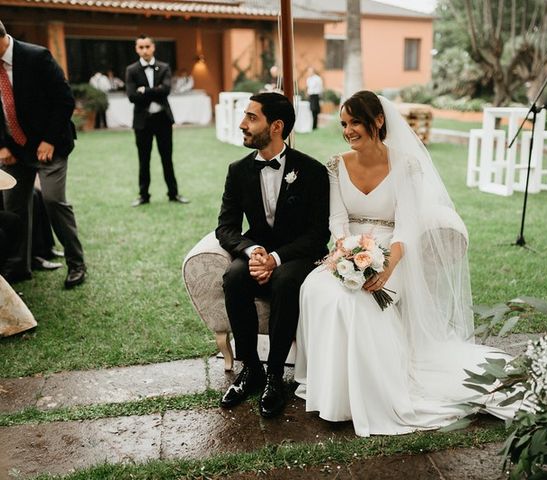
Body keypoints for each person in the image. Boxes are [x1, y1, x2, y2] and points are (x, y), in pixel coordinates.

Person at [294, 91, 516, 437]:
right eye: (343, 124)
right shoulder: (336, 165)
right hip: (346, 253)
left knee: (358, 302)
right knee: (316, 289)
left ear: (377, 121)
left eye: (354, 122)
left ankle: (371, 393)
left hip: (392, 257)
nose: (348, 130)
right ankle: (333, 392)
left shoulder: (406, 166)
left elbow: (408, 224)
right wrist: (344, 252)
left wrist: (387, 266)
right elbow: (337, 219)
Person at [216, 92, 329, 418]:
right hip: (257, 253)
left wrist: (275, 259)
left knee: (285, 281)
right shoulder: (237, 171)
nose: (242, 124)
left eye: (251, 117)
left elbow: (318, 235)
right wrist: (252, 251)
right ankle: (251, 369)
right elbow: (225, 228)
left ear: (276, 126)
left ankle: (276, 375)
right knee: (234, 276)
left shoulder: (312, 171)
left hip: (296, 257)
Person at [0, 21, 86, 288]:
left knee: (52, 201)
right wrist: (2, 145)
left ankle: (76, 263)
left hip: (52, 145)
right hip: (15, 149)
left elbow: (64, 100)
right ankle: (18, 266)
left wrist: (48, 141)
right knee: (13, 206)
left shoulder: (36, 56)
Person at [125, 34, 189, 207]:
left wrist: (144, 90)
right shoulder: (131, 70)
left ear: (153, 47)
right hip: (142, 122)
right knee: (143, 160)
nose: (144, 50)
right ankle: (143, 195)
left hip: (163, 120)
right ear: (136, 49)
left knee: (167, 158)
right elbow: (131, 96)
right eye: (141, 47)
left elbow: (166, 90)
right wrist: (155, 90)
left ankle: (173, 194)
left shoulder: (164, 67)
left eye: (147, 46)